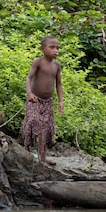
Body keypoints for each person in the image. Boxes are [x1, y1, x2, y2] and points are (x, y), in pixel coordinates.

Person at [21, 35, 64, 164]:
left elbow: (59, 84)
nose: (55, 50)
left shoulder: (57, 66)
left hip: (48, 102)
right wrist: (29, 93)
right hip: (35, 100)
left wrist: (61, 102)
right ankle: (26, 152)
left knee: (44, 129)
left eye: (57, 48)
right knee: (31, 123)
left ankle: (43, 157)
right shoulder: (38, 62)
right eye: (52, 47)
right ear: (42, 48)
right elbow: (29, 78)